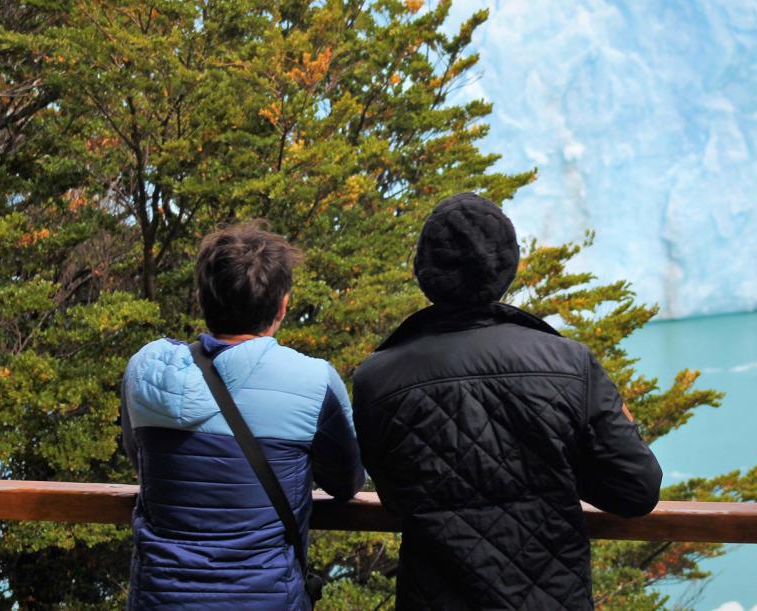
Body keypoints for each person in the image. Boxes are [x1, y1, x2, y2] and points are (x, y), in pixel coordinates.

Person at [353, 193, 663, 610]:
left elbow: (393, 496)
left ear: (424, 271)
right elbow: (637, 491)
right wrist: (564, 458)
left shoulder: (377, 378)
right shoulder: (569, 363)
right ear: (507, 266)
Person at [120, 222, 363, 610]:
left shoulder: (144, 370)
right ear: (283, 305)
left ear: (202, 298)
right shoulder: (315, 381)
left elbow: (141, 461)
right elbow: (347, 481)